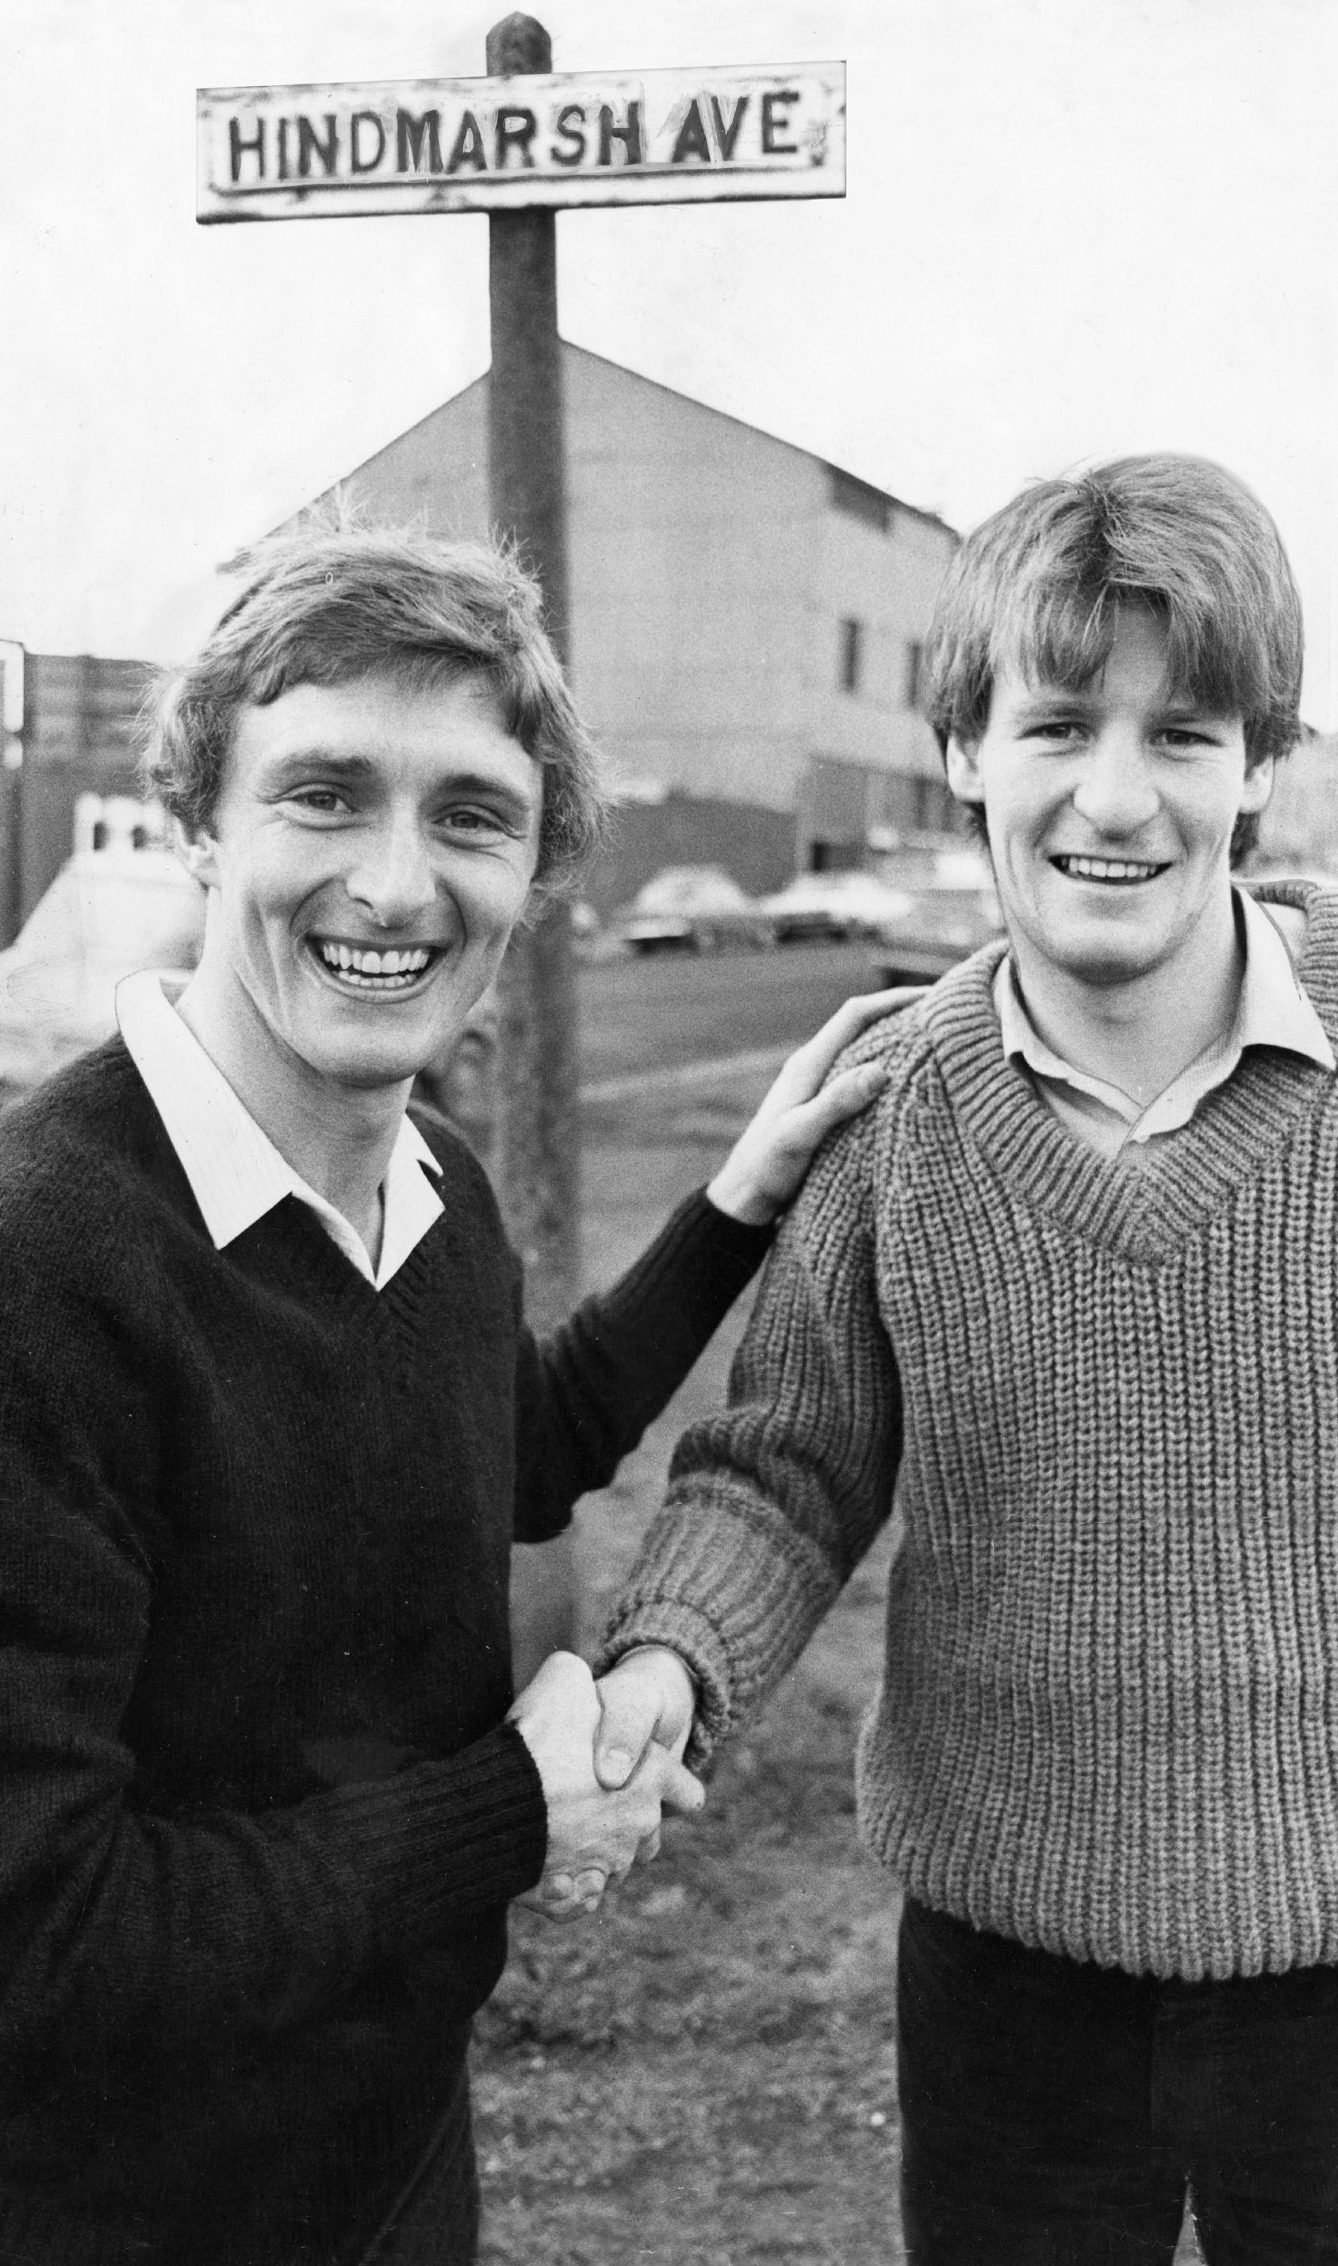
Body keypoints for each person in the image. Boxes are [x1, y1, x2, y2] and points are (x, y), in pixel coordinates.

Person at [0, 522, 907, 2265]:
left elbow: (518, 1444)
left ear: (536, 864)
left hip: (400, 2158)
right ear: (201, 818)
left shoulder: (435, 1183)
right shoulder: (48, 1265)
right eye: (325, 794)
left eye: (470, 815)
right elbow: (43, 1931)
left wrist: (737, 1201)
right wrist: (514, 1808)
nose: (399, 886)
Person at [588, 453, 1338, 2264]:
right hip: (1008, 1983)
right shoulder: (899, 1109)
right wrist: (670, 1654)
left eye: (1186, 734)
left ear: (1262, 765)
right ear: (965, 744)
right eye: (1058, 724)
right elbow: (788, 1466)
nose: (1113, 798)